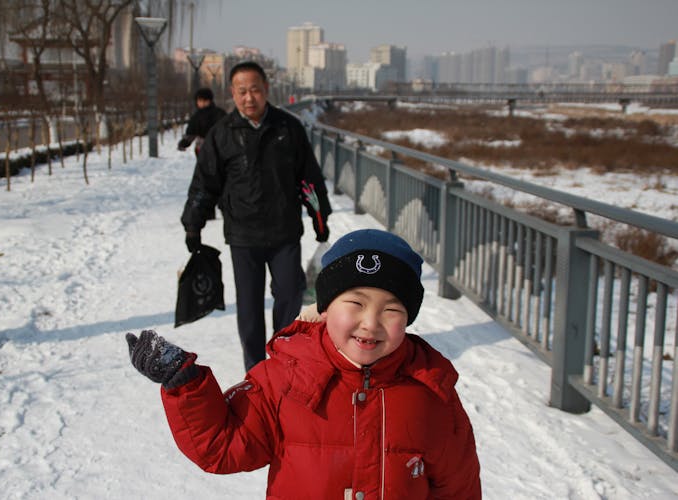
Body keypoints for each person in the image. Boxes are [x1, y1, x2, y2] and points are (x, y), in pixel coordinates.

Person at [125, 229, 482, 499]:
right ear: (326, 308)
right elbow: (223, 444)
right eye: (355, 304)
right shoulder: (286, 377)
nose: (370, 323)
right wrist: (184, 382)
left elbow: (459, 488)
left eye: (390, 309)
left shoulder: (432, 393)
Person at [181, 61, 332, 372]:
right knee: (249, 308)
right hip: (243, 235)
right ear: (232, 94)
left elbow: (309, 178)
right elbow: (204, 183)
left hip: (284, 232)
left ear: (266, 90)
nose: (248, 97)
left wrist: (319, 217)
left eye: (255, 90)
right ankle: (256, 370)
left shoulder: (288, 128)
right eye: (241, 91)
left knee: (290, 296)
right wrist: (193, 223)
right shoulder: (221, 135)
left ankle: (286, 362)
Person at [178, 87, 227, 156]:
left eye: (205, 100)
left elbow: (227, 130)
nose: (202, 103)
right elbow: (191, 132)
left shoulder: (219, 114)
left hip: (218, 148)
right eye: (200, 100)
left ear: (210, 101)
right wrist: (184, 143)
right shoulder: (197, 116)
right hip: (202, 149)